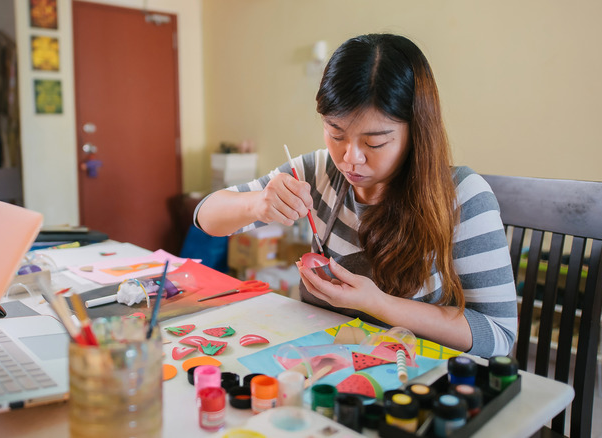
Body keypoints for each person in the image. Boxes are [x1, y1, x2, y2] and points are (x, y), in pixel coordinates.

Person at [194, 34, 516, 357]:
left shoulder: (461, 197)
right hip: (329, 371)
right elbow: (206, 215)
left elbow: (499, 334)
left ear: (417, 129)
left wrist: (379, 304)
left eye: (374, 143)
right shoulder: (319, 171)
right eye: (336, 134)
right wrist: (257, 204)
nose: (351, 158)